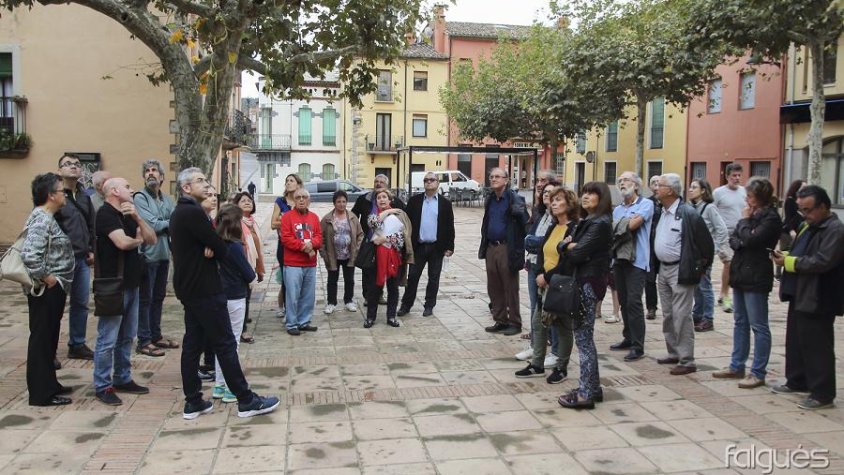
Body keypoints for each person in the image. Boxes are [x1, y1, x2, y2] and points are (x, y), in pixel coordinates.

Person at [170, 167, 279, 419]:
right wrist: (213, 244)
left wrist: (211, 243)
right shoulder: (193, 213)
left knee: (193, 344)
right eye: (200, 182)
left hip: (190, 288)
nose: (207, 186)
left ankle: (194, 401)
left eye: (207, 180)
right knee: (226, 343)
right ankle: (245, 399)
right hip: (205, 290)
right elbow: (222, 248)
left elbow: (212, 244)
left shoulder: (182, 212)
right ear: (186, 188)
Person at [771, 185, 844, 409]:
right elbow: (800, 252)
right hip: (800, 292)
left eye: (809, 210)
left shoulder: (835, 230)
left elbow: (823, 261)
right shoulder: (807, 225)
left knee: (817, 345)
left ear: (823, 207)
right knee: (796, 340)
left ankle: (822, 393)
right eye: (802, 210)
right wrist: (786, 255)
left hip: (819, 296)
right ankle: (797, 380)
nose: (805, 215)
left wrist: (790, 262)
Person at [93, 177, 157, 406]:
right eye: (128, 187)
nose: (132, 190)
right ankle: (102, 385)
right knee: (108, 338)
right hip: (113, 284)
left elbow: (151, 238)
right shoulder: (105, 215)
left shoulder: (129, 214)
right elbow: (121, 243)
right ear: (115, 191)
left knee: (127, 336)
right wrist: (137, 240)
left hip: (133, 283)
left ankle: (122, 377)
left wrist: (138, 217)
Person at [713, 177, 781, 389]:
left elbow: (751, 240)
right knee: (740, 322)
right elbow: (735, 240)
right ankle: (736, 365)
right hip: (741, 273)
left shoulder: (770, 218)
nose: (747, 199)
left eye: (750, 196)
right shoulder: (750, 216)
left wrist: (744, 226)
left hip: (757, 275)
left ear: (759, 197)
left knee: (759, 325)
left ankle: (758, 372)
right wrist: (744, 233)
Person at [556, 182, 613, 409]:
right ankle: (593, 387)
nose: (586, 197)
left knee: (583, 339)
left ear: (602, 198)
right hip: (584, 280)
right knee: (584, 338)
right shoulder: (588, 221)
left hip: (589, 282)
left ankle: (586, 393)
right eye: (585, 193)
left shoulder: (599, 224)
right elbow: (564, 244)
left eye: (592, 194)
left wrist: (570, 247)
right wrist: (567, 246)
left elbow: (577, 253)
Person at [21, 173, 76, 406]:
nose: (65, 194)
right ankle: (41, 393)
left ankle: (49, 384)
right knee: (42, 339)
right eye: (61, 191)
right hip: (45, 290)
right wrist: (47, 277)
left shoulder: (48, 217)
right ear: (51, 195)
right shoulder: (42, 219)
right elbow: (30, 255)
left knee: (50, 337)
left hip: (54, 288)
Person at [516, 186, 579, 385]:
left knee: (562, 327)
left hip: (561, 284)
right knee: (538, 323)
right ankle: (537, 365)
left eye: (558, 200)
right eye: (552, 200)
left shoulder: (574, 228)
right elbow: (544, 249)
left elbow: (569, 260)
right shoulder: (553, 226)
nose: (553, 203)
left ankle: (561, 367)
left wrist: (548, 276)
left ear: (569, 204)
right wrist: (542, 272)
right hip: (545, 282)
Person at [653, 173, 714, 376]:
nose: (655, 188)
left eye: (659, 185)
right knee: (668, 314)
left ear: (670, 190)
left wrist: (700, 268)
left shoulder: (688, 213)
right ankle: (673, 352)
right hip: (663, 269)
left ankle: (687, 360)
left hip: (681, 269)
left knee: (681, 316)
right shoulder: (662, 211)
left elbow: (706, 244)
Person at [212, 204, 257, 403]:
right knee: (233, 343)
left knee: (221, 342)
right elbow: (249, 274)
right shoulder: (235, 247)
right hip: (235, 296)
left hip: (217, 295)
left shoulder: (214, 244)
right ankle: (232, 387)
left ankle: (220, 384)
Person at [134, 160, 178, 358]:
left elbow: (172, 222)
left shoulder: (167, 199)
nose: (150, 174)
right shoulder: (140, 198)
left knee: (158, 297)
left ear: (162, 177)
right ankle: (144, 340)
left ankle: (155, 334)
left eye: (154, 171)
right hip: (147, 255)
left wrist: (165, 224)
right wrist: (168, 223)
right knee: (146, 299)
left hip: (163, 254)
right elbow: (151, 224)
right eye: (147, 171)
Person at [608, 172, 654, 362]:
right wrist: (623, 223)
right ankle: (628, 337)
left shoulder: (646, 204)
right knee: (624, 300)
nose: (621, 183)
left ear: (636, 185)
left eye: (626, 180)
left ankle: (638, 345)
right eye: (619, 181)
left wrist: (621, 225)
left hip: (638, 261)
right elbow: (613, 230)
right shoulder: (617, 209)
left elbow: (633, 225)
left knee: (634, 302)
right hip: (619, 259)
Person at [54, 154, 96, 362]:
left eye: (77, 165)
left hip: (81, 258)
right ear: (60, 170)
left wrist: (92, 249)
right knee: (55, 306)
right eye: (68, 164)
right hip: (60, 260)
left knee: (80, 303)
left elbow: (91, 225)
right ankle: (49, 349)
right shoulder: (55, 194)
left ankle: (77, 344)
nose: (73, 167)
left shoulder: (84, 195)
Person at [479, 167, 530, 336]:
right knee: (494, 287)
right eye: (491, 176)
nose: (493, 179)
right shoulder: (491, 199)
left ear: (506, 180)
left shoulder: (515, 199)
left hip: (507, 247)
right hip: (491, 247)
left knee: (510, 287)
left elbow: (525, 223)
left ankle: (515, 322)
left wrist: (520, 248)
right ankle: (500, 320)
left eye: (497, 177)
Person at [398, 172, 455, 317]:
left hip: (437, 247)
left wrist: (450, 247)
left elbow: (450, 226)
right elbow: (406, 223)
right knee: (413, 277)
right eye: (426, 180)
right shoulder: (414, 201)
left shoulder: (445, 203)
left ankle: (429, 305)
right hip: (418, 246)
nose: (429, 182)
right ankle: (406, 305)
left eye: (432, 180)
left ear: (437, 183)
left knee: (434, 278)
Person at [518, 180, 559, 362]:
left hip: (549, 269)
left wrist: (534, 242)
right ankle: (535, 346)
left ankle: (556, 352)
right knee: (536, 309)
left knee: (552, 311)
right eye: (543, 192)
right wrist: (533, 242)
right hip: (533, 265)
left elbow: (542, 242)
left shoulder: (558, 219)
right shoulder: (541, 215)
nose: (545, 194)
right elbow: (528, 238)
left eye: (550, 192)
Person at [352, 174, 406, 306]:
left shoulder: (396, 202)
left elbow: (404, 220)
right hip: (369, 241)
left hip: (390, 245)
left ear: (387, 186)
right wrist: (358, 234)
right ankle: (368, 296)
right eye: (376, 181)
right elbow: (353, 216)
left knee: (387, 269)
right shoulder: (363, 199)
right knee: (368, 270)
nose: (378, 184)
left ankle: (381, 295)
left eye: (382, 182)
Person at [364, 189, 413, 328]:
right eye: (379, 198)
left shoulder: (400, 215)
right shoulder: (373, 216)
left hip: (394, 257)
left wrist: (385, 238)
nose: (382, 199)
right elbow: (374, 225)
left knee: (393, 288)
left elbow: (402, 238)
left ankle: (391, 316)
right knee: (374, 289)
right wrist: (386, 212)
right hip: (376, 257)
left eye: (384, 197)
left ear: (390, 199)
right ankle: (370, 317)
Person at [687, 178, 728, 332]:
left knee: (705, 286)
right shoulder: (692, 208)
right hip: (693, 254)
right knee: (696, 286)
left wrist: (714, 248)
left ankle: (708, 318)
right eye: (690, 187)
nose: (690, 190)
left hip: (704, 255)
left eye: (694, 187)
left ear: (703, 190)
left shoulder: (709, 208)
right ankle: (697, 315)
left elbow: (721, 229)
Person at [280, 188, 322, 336]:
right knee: (292, 295)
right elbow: (286, 238)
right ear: (294, 200)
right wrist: (305, 247)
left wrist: (312, 244)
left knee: (308, 296)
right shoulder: (286, 217)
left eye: (304, 197)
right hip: (293, 264)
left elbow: (319, 236)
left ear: (309, 200)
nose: (302, 200)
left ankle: (304, 321)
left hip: (310, 264)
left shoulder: (314, 217)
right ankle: (291, 323)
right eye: (298, 197)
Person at [320, 190, 364, 314]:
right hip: (332, 255)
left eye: (344, 201)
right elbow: (320, 236)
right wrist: (323, 253)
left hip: (349, 254)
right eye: (338, 201)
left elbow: (360, 234)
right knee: (332, 279)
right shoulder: (327, 218)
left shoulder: (352, 217)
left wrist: (357, 249)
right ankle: (331, 302)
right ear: (334, 203)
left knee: (349, 279)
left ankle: (349, 301)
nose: (341, 204)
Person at [713, 163, 746, 313]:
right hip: (724, 235)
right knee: (729, 262)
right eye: (734, 175)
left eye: (739, 175)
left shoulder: (744, 192)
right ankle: (726, 296)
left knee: (737, 264)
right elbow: (711, 212)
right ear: (727, 176)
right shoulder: (718, 193)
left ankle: (724, 293)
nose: (737, 178)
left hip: (740, 234)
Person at [233, 191, 264, 344]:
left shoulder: (252, 222)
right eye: (243, 200)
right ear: (236, 205)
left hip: (250, 266)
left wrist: (259, 268)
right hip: (239, 267)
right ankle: (241, 331)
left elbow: (258, 250)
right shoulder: (235, 223)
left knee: (246, 298)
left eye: (249, 200)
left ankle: (242, 327)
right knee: (242, 299)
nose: (247, 202)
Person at [271, 173, 301, 318]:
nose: (288, 183)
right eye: (287, 181)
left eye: (291, 181)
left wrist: (285, 220)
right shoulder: (280, 201)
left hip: (299, 244)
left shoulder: (301, 201)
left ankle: (295, 306)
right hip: (283, 245)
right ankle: (285, 308)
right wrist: (290, 222)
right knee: (286, 277)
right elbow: (272, 224)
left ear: (298, 185)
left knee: (298, 278)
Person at [778, 179, 804, 278]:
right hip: (787, 230)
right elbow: (788, 217)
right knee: (784, 250)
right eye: (803, 188)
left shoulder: (799, 201)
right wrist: (791, 230)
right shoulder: (790, 200)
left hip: (797, 229)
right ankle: (778, 274)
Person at [645, 175, 661, 320]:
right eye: (653, 182)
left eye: (658, 182)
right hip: (650, 245)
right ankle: (651, 308)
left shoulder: (667, 203)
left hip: (664, 245)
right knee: (649, 280)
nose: (656, 185)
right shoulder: (648, 203)